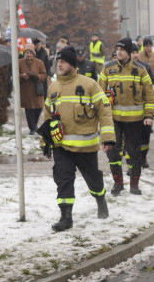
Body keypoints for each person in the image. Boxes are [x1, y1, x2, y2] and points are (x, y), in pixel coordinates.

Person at [42, 45, 116, 232]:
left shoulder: (90, 84)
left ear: (73, 64)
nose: (59, 64)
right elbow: (47, 117)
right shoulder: (54, 87)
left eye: (63, 61)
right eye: (58, 60)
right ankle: (66, 217)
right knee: (63, 180)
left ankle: (100, 200)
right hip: (61, 147)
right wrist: (46, 142)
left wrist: (107, 138)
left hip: (86, 147)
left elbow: (105, 111)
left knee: (93, 180)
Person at [98, 36, 154, 195]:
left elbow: (149, 93)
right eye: (117, 49)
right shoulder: (107, 68)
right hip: (114, 120)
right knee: (113, 153)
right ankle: (118, 183)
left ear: (129, 51)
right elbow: (99, 94)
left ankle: (134, 185)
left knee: (134, 153)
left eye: (122, 49)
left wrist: (149, 115)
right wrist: (101, 117)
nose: (119, 52)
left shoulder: (141, 69)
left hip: (135, 121)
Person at [130, 42, 154, 169]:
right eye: (132, 53)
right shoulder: (121, 69)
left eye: (136, 52)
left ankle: (143, 157)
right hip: (129, 110)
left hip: (145, 108)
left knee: (145, 135)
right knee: (131, 138)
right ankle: (132, 163)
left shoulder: (145, 67)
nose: (135, 55)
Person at [19, 47, 49, 135]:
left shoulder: (39, 62)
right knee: (29, 109)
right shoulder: (20, 62)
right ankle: (32, 128)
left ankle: (34, 125)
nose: (29, 55)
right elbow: (15, 73)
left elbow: (44, 74)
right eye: (27, 53)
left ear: (34, 54)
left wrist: (36, 76)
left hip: (37, 89)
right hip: (26, 89)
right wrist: (23, 76)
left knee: (39, 107)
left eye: (30, 53)